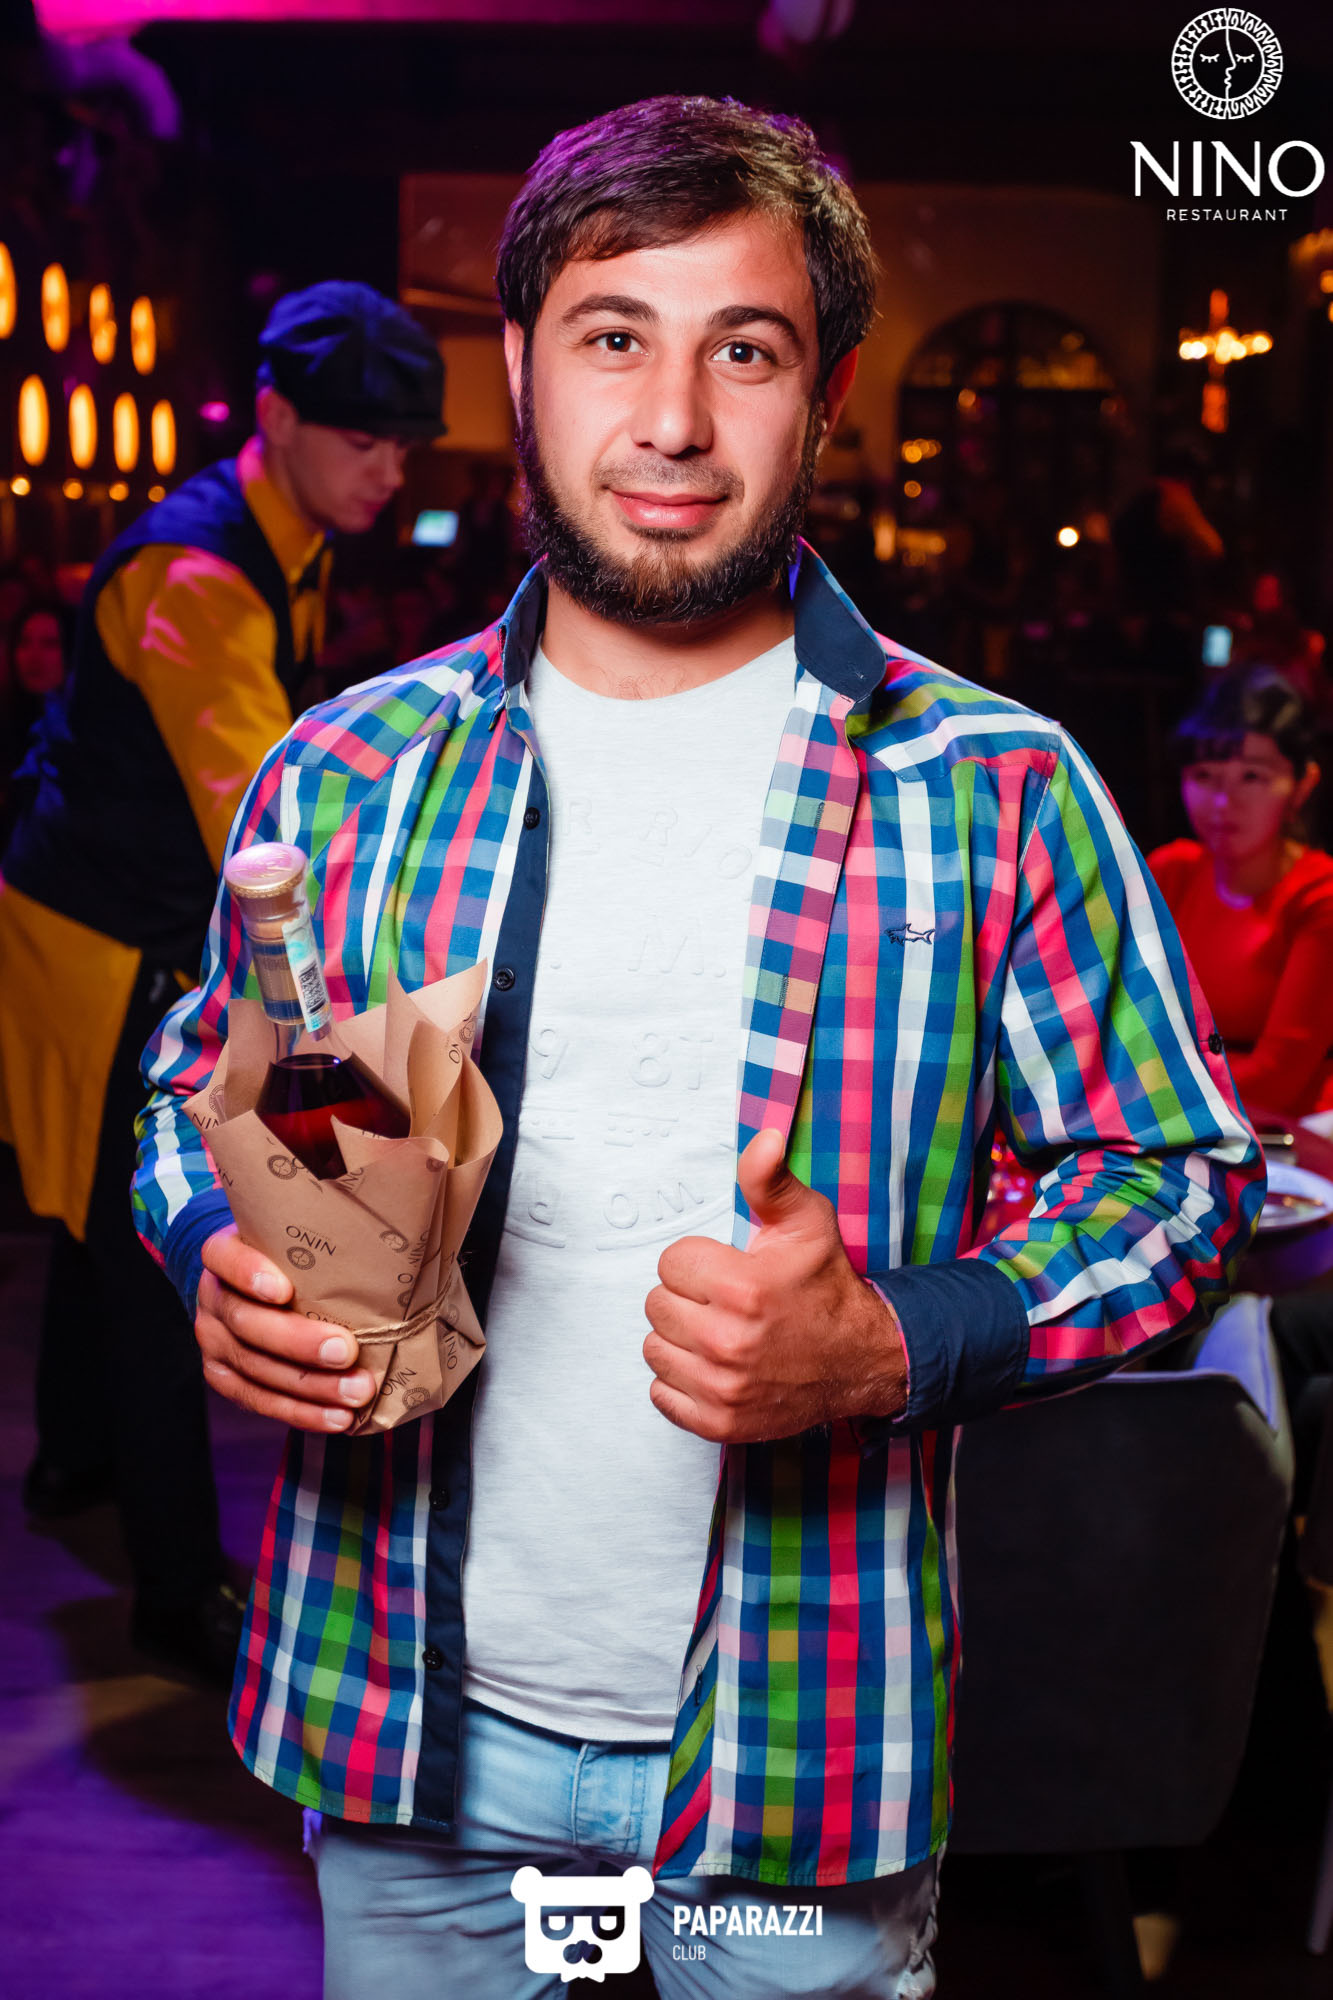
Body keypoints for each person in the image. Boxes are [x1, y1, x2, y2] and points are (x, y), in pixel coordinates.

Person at [133, 98, 1260, 1995]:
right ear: (520, 366)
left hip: (805, 1737)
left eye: (742, 351)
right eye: (612, 337)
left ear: (823, 396)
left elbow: (1177, 1177)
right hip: (408, 1717)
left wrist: (892, 1339)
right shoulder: (350, 769)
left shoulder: (991, 788)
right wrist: (220, 1248)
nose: (669, 419)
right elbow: (212, 1081)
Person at [0, 280, 444, 1685]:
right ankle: (177, 1590)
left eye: (403, 446)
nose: (389, 472)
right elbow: (257, 834)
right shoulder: (200, 575)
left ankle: (72, 1459)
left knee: (90, 1206)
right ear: (275, 417)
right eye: (362, 440)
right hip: (102, 934)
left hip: (109, 907)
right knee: (150, 1240)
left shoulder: (282, 535)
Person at [1148, 666, 1333, 1120]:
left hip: (1294, 1131)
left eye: (1251, 776)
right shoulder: (1171, 872)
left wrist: (1142, 1085)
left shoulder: (1320, 896)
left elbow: (1277, 1080)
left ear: (1303, 785)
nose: (1222, 801)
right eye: (1203, 774)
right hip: (1180, 1119)